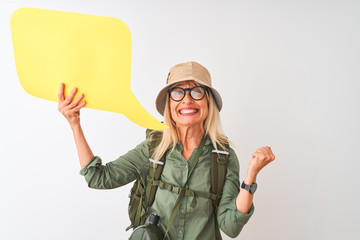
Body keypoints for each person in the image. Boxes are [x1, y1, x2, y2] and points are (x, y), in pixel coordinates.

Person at [58, 61, 275, 239]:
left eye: (197, 91)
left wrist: (251, 176)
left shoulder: (223, 157)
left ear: (208, 102)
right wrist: (75, 124)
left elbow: (231, 226)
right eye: (178, 92)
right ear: (169, 104)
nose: (187, 99)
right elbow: (98, 178)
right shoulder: (153, 150)